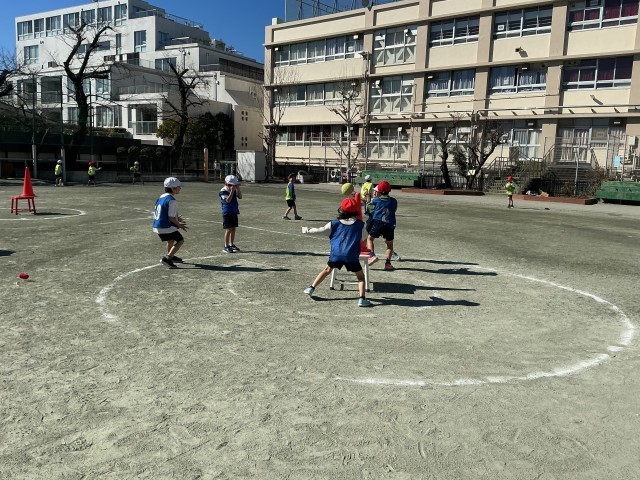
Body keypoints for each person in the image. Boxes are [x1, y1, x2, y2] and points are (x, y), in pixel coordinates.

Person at [302, 197, 371, 307]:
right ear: (356, 210)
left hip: (336, 255)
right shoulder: (360, 225)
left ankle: (311, 288)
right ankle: (362, 299)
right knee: (361, 278)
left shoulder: (334, 224)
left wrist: (306, 230)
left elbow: (320, 230)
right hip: (351, 256)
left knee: (327, 270)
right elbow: (363, 237)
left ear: (341, 209)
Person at [152, 177, 188, 269]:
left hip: (157, 226)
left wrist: (178, 218)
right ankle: (168, 258)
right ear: (173, 188)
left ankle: (171, 256)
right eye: (179, 187)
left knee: (171, 240)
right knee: (180, 240)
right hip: (165, 226)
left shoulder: (161, 197)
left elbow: (164, 212)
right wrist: (179, 225)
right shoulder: (172, 200)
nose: (180, 188)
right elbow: (170, 217)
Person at [366, 180, 398, 271]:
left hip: (378, 222)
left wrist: (368, 199)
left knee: (370, 239)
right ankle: (388, 263)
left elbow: (369, 209)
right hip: (390, 224)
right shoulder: (394, 201)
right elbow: (394, 210)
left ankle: (372, 255)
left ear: (379, 190)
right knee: (389, 245)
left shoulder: (375, 200)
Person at [220, 174, 242, 253]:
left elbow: (240, 197)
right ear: (225, 183)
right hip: (227, 212)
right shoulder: (223, 191)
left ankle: (231, 244)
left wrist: (238, 189)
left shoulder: (234, 190)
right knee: (228, 229)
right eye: (229, 185)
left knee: (233, 228)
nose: (232, 187)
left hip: (234, 211)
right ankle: (226, 246)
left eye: (233, 185)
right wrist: (232, 191)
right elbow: (228, 200)